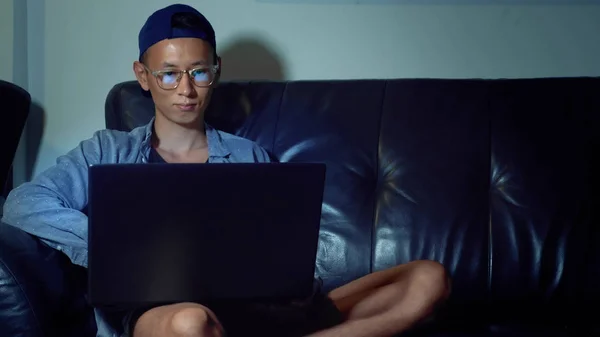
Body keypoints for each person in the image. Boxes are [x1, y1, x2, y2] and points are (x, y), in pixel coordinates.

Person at [1, 4, 451, 337]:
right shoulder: (107, 149)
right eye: (169, 74)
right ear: (143, 76)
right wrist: (111, 251)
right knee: (190, 321)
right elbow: (23, 204)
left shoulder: (248, 155)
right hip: (162, 313)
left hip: (259, 312)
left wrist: (288, 281)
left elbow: (283, 256)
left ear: (216, 72)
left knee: (428, 278)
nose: (185, 90)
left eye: (198, 73)